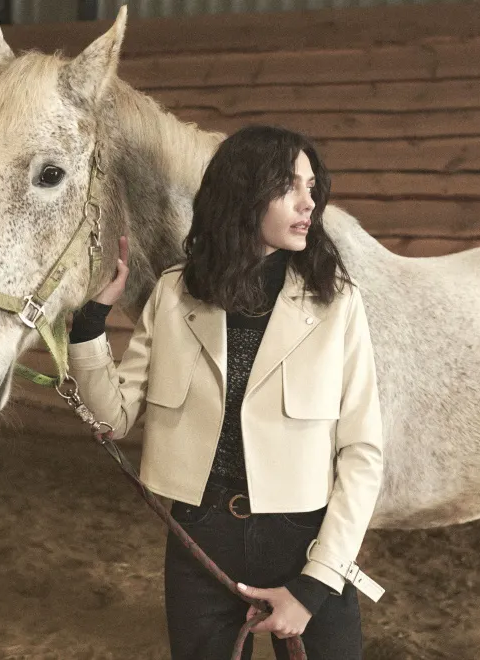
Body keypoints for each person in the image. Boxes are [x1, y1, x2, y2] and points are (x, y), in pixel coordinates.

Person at [67, 125, 384, 660]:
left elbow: (363, 453)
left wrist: (313, 587)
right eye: (291, 187)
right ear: (243, 192)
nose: (310, 203)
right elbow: (113, 419)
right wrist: (89, 323)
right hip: (200, 533)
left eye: (313, 187)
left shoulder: (337, 302)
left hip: (304, 540)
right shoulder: (173, 293)